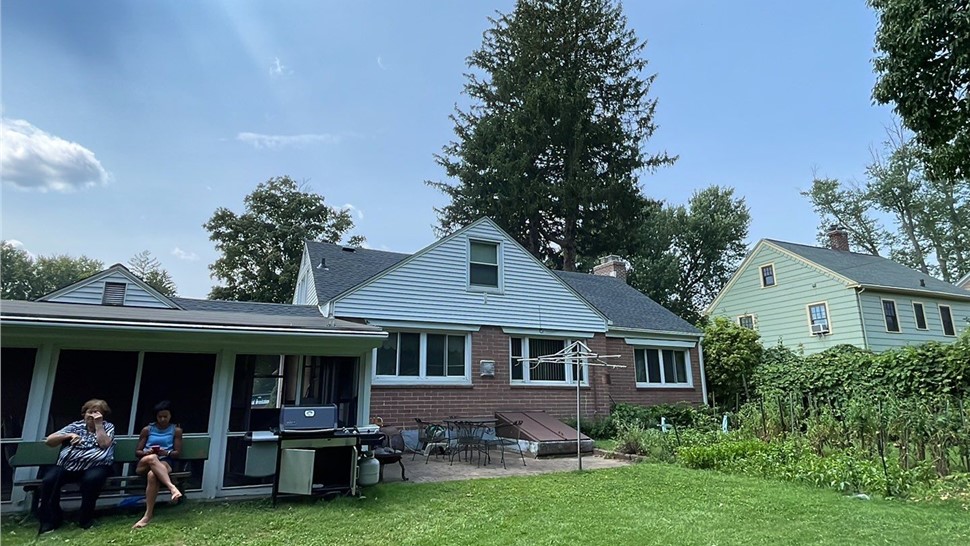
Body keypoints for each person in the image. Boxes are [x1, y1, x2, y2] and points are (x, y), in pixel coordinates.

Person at [37, 398, 115, 533]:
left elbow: (104, 444)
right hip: (69, 465)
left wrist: (98, 426)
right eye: (90, 412)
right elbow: (49, 441)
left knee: (92, 480)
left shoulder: (107, 427)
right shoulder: (75, 426)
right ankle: (51, 518)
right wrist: (68, 436)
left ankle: (85, 518)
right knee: (49, 480)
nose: (92, 415)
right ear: (84, 414)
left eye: (97, 413)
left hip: (96, 466)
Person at [132, 400, 183, 529]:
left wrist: (165, 452)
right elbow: (137, 452)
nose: (162, 419)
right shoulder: (147, 429)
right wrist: (147, 452)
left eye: (165, 416)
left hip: (165, 461)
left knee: (152, 475)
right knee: (153, 457)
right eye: (160, 416)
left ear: (171, 416)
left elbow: (177, 453)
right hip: (144, 462)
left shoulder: (175, 430)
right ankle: (172, 487)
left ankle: (147, 515)